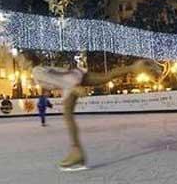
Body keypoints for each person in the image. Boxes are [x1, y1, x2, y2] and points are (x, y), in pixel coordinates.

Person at [32, 57, 164, 171]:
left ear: (27, 60)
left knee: (67, 115)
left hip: (70, 82)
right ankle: (135, 67)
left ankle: (77, 151)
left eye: (21, 59)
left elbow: (56, 79)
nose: (19, 61)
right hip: (75, 74)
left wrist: (74, 88)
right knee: (106, 76)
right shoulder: (41, 68)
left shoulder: (36, 71)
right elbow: (56, 74)